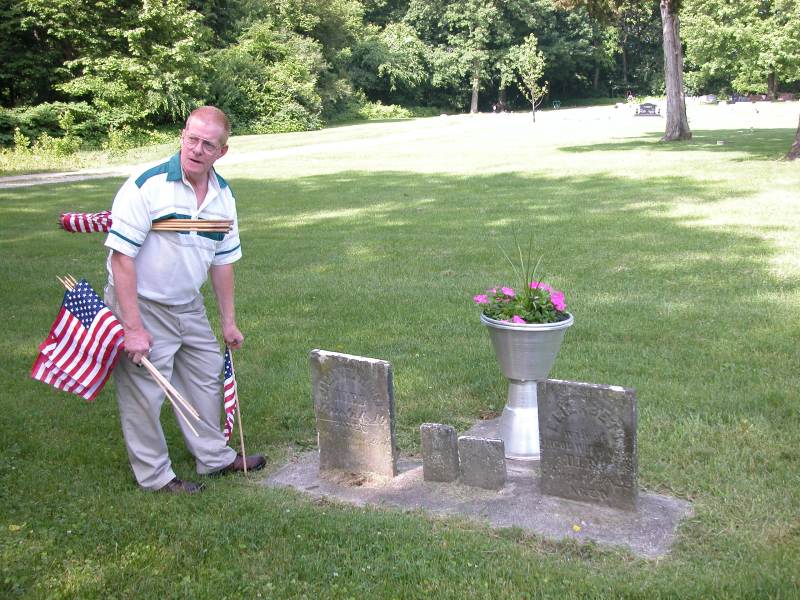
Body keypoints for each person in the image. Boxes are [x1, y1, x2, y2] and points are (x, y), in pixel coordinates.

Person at [104, 106, 265, 494]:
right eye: (191, 139)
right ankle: (156, 477)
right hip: (141, 303)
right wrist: (133, 328)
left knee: (207, 374)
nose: (196, 149)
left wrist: (228, 321)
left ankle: (214, 457)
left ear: (221, 152)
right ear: (182, 136)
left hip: (187, 305)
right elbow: (121, 258)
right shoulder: (147, 186)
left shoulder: (223, 198)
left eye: (207, 144)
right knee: (145, 393)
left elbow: (223, 262)